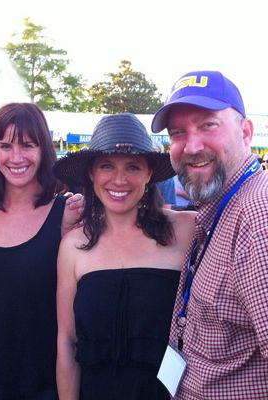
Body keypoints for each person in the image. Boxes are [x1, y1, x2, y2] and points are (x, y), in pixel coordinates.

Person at [54, 113, 196, 400]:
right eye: (107, 166)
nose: (119, 179)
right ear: (92, 173)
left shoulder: (186, 230)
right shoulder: (73, 246)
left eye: (133, 167)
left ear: (149, 174)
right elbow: (67, 343)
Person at [151, 70, 268, 399]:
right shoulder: (219, 208)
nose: (191, 145)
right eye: (178, 133)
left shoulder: (257, 217)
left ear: (245, 131)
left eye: (207, 125)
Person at [0, 102, 83, 400]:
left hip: (46, 384)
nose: (16, 157)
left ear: (44, 150)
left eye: (28, 145)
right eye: (5, 146)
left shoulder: (65, 214)